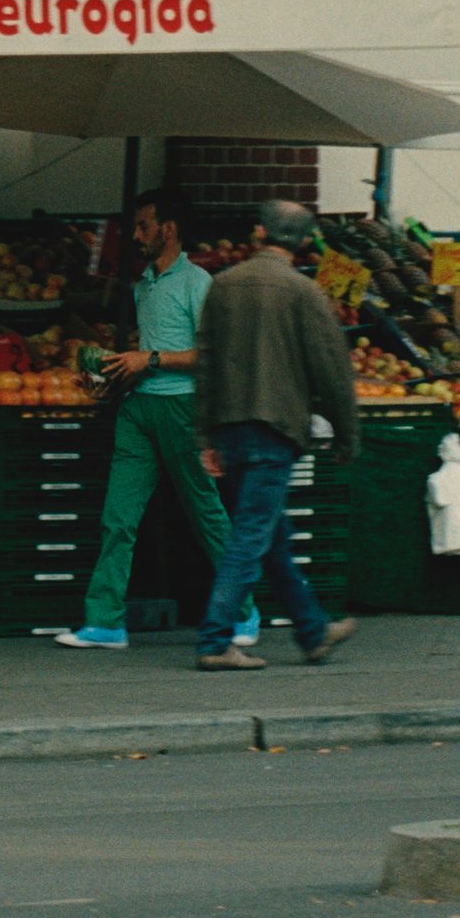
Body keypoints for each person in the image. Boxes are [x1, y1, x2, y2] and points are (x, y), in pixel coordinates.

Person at [55, 194, 229, 651]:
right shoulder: (145, 284)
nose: (135, 236)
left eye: (144, 227)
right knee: (118, 517)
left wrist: (147, 358)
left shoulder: (198, 282)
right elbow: (145, 352)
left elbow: (210, 354)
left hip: (181, 408)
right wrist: (108, 378)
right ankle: (105, 621)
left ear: (168, 229)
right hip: (138, 408)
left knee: (205, 513)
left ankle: (242, 610)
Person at [190, 204, 350, 672]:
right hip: (276, 428)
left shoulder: (223, 284)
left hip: (231, 426)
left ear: (259, 232)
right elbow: (332, 372)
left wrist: (206, 437)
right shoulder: (305, 291)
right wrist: (346, 436)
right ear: (302, 242)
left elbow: (207, 363)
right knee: (251, 536)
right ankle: (216, 641)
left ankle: (313, 630)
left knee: (271, 534)